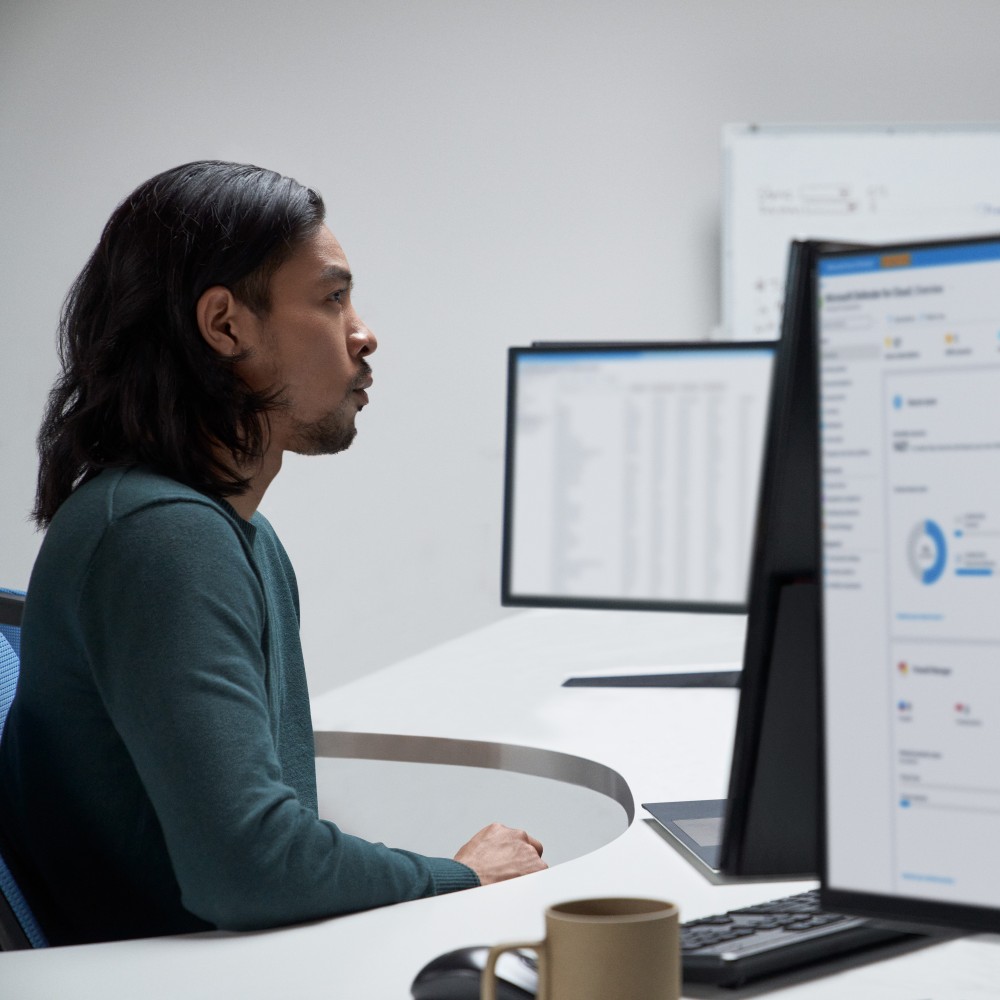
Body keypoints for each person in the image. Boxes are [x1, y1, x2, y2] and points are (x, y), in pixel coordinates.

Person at [0, 161, 546, 946]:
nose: (363, 332)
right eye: (331, 299)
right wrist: (459, 877)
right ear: (226, 326)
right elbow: (250, 867)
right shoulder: (160, 538)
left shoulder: (232, 532)